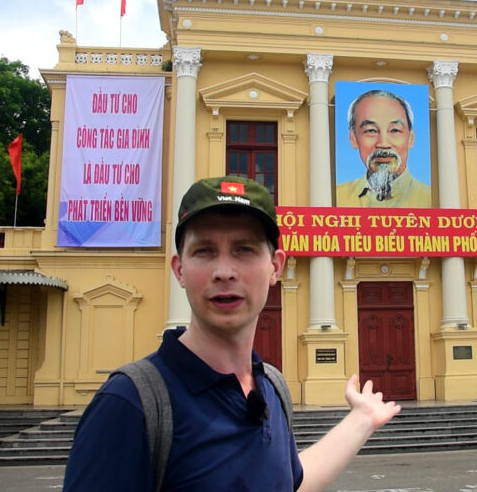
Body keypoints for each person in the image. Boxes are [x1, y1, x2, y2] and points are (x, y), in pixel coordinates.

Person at [64, 175, 401, 491]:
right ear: (179, 269)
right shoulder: (130, 404)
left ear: (275, 267)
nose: (224, 272)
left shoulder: (271, 388)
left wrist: (362, 419)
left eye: (244, 249)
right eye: (205, 251)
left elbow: (287, 482)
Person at [336, 89, 431, 207]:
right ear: (353, 138)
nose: (383, 143)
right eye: (371, 131)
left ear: (411, 138)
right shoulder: (338, 197)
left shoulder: (428, 199)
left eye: (394, 130)